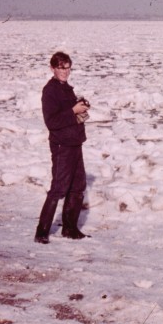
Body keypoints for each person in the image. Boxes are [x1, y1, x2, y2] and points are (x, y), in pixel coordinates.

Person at [34, 51, 91, 244]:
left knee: (77, 187)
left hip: (75, 142)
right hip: (61, 146)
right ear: (52, 68)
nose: (65, 71)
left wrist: (80, 108)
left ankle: (70, 228)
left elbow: (67, 114)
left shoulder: (66, 88)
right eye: (61, 68)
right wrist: (73, 111)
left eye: (67, 67)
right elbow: (52, 121)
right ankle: (41, 232)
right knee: (58, 188)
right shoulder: (50, 91)